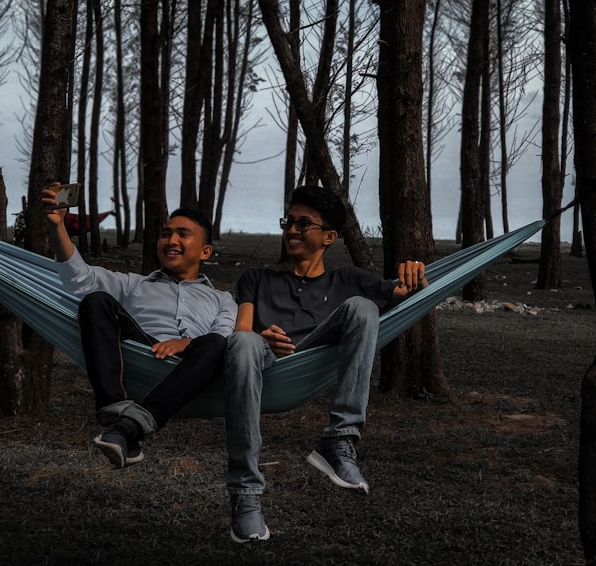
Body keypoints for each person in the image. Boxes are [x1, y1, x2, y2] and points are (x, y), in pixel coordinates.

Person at [224, 184, 427, 542]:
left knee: (364, 306)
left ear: (329, 236)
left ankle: (339, 439)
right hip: (266, 358)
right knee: (242, 342)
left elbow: (401, 293)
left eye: (304, 224)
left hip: (314, 350)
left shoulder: (348, 280)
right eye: (289, 222)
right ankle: (246, 493)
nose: (291, 230)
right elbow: (241, 330)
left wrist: (414, 273)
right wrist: (260, 337)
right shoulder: (258, 278)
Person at [43, 185, 236, 469]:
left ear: (205, 251)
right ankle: (115, 411)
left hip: (194, 363)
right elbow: (79, 280)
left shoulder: (222, 298)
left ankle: (128, 427)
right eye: (165, 233)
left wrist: (188, 342)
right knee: (96, 300)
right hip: (141, 349)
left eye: (183, 234)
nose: (171, 240)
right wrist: (58, 228)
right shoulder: (134, 283)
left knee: (217, 344)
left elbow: (224, 332)